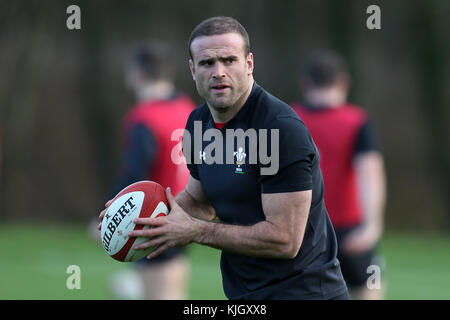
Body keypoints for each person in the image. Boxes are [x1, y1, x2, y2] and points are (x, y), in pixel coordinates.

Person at [100, 16, 348, 300]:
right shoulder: (198, 122)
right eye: (207, 63)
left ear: (249, 64)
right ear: (193, 70)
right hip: (243, 295)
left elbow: (284, 239)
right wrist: (144, 221)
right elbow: (198, 200)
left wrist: (196, 232)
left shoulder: (280, 128)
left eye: (229, 60)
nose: (218, 72)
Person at [290, 51, 387, 299]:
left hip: (302, 229)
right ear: (344, 82)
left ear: (305, 83)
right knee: (369, 288)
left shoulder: (288, 119)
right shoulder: (356, 121)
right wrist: (372, 225)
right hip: (348, 228)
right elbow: (370, 172)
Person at [104, 42, 195, 300]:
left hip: (153, 218)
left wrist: (105, 216)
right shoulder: (188, 109)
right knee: (171, 291)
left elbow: (134, 174)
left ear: (137, 73)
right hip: (187, 211)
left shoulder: (143, 117)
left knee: (161, 296)